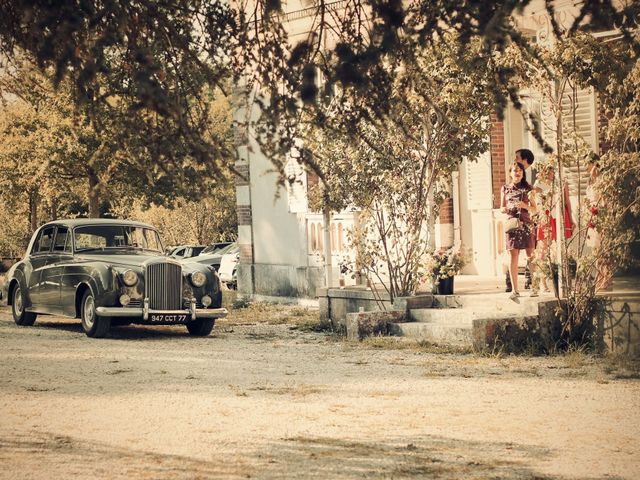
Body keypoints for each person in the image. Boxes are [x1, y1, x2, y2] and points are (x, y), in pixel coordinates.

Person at [533, 163, 574, 292]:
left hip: (559, 216)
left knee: (562, 248)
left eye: (552, 171)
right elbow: (536, 195)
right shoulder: (540, 183)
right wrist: (541, 181)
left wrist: (571, 219)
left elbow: (567, 201)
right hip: (546, 217)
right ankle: (542, 283)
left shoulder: (561, 182)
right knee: (543, 249)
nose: (550, 173)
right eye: (548, 171)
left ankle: (565, 281)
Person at [501, 161, 537, 299]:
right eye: (515, 170)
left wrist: (525, 206)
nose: (518, 172)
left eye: (520, 170)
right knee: (513, 257)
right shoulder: (505, 188)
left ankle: (534, 287)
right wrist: (505, 209)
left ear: (523, 173)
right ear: (510, 173)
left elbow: (535, 209)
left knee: (530, 256)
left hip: (526, 223)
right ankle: (515, 290)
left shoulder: (529, 188)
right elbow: (501, 207)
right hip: (511, 224)